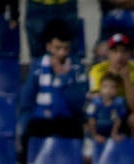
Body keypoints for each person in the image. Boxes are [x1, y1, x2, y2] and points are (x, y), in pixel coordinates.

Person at [19, 21, 87, 154]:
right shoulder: (37, 67)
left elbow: (78, 104)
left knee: (76, 132)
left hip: (67, 120)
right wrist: (24, 123)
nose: (62, 53)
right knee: (29, 135)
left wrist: (63, 78)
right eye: (58, 48)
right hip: (41, 120)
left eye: (66, 48)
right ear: (49, 47)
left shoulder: (77, 68)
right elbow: (27, 100)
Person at [88, 34, 134, 139]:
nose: (119, 56)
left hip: (128, 110)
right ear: (108, 53)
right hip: (105, 111)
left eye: (124, 51)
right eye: (115, 51)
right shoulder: (97, 70)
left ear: (130, 54)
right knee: (91, 116)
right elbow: (97, 101)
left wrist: (126, 79)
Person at [86, 73, 130, 143]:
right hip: (95, 132)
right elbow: (91, 120)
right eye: (105, 86)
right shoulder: (94, 103)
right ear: (100, 88)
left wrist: (114, 134)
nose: (108, 90)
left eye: (112, 87)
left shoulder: (119, 103)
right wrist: (95, 135)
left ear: (117, 90)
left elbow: (117, 120)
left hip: (111, 132)